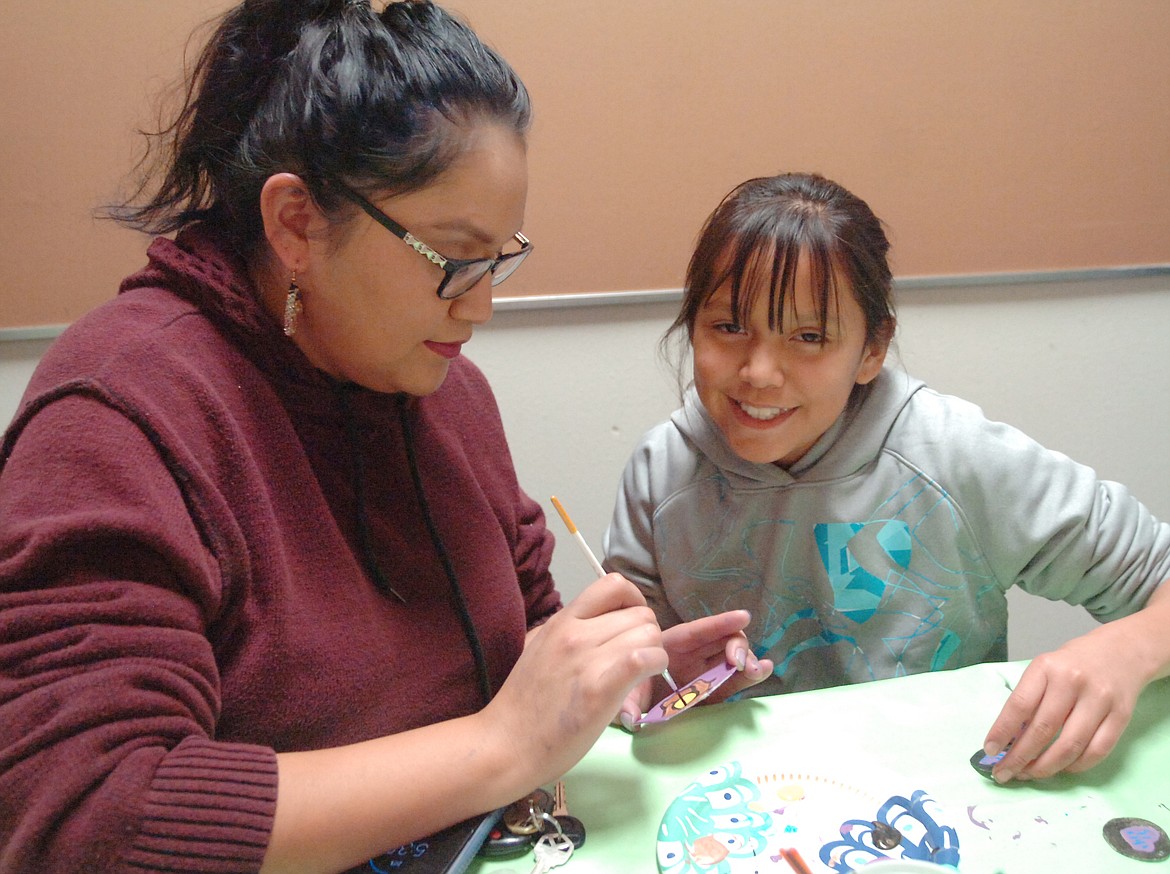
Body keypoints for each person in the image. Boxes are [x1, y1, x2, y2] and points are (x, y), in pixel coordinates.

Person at [0, 3, 769, 872]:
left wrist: (611, 682)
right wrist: (500, 748)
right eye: (451, 256)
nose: (479, 305)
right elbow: (86, 819)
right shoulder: (122, 412)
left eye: (498, 260)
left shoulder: (444, 392)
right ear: (297, 225)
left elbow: (514, 647)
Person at [604, 171, 1170, 784]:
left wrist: (1126, 651)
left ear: (873, 348)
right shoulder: (662, 472)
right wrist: (644, 682)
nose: (759, 372)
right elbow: (634, 669)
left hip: (941, 802)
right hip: (739, 805)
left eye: (810, 336)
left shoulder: (956, 456)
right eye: (729, 327)